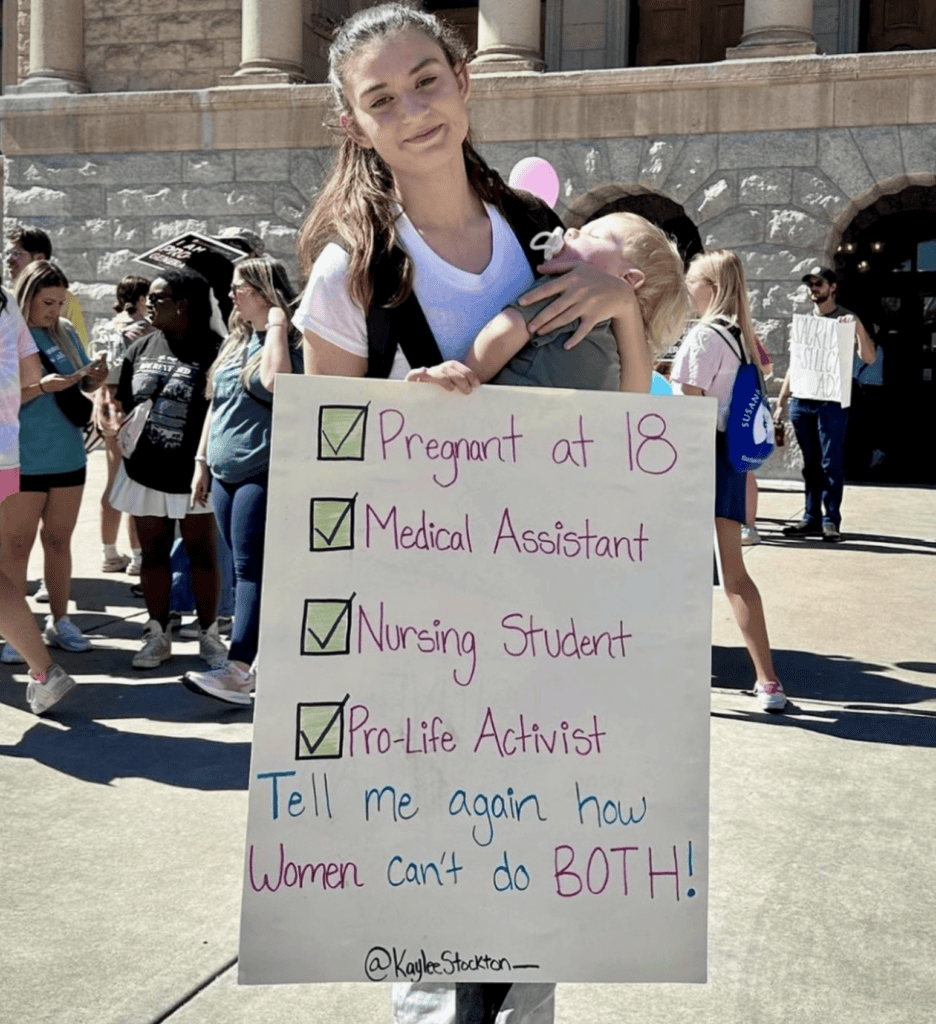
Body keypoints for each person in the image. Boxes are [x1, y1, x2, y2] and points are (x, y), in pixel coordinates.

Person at [294, 6, 654, 1023]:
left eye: (426, 81)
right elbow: (331, 488)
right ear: (353, 124)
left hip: (556, 618)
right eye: (382, 99)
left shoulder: (547, 246)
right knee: (439, 930)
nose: (413, 109)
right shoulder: (351, 277)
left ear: (464, 81)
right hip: (424, 636)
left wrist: (623, 308)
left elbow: (625, 431)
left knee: (538, 912)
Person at [670, 248, 787, 714]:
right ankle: (769, 682)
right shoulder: (742, 338)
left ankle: (675, 675)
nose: (685, 287)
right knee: (736, 575)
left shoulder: (701, 338)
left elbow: (685, 408)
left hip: (696, 458)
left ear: (710, 289)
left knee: (678, 575)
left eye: (691, 280)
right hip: (729, 462)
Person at [184, 256, 302, 705]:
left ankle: (237, 670)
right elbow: (217, 406)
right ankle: (261, 662)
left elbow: (275, 383)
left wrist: (276, 323)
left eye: (241, 288)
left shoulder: (287, 339)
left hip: (262, 468)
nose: (231, 294)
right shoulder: (233, 343)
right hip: (223, 470)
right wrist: (201, 461)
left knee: (250, 570)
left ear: (264, 290)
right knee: (244, 569)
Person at [99, 268, 227, 671]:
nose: (148, 305)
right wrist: (110, 415)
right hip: (145, 470)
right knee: (153, 553)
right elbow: (117, 396)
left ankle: (209, 635)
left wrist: (206, 464)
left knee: (202, 553)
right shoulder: (141, 347)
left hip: (194, 475)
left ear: (183, 305)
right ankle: (157, 634)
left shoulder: (216, 349)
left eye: (158, 299)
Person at [406, 211, 688, 392]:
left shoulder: (568, 289)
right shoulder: (616, 342)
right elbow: (635, 399)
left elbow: (505, 331)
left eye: (595, 235)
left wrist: (468, 373)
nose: (573, 231)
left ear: (628, 279)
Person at [0, 261, 108, 662]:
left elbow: (79, 385)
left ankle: (61, 620)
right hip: (22, 456)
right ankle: (18, 631)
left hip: (67, 453)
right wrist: (38, 388)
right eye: (48, 302)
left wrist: (93, 379)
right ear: (26, 297)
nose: (55, 310)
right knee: (15, 546)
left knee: (59, 541)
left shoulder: (64, 332)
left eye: (61, 302)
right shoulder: (9, 335)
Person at [0, 280, 78, 713]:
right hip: (6, 452)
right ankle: (44, 671)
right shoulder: (5, 300)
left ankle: (45, 670)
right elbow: (32, 375)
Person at [774, 265, 876, 542]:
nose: (813, 288)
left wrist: (857, 328)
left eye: (819, 284)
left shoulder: (846, 319)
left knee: (831, 462)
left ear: (832, 287)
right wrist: (782, 403)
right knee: (810, 463)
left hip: (831, 402)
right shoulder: (805, 322)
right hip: (802, 400)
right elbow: (795, 365)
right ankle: (811, 519)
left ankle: (831, 520)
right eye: (810, 284)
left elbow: (869, 358)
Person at [89, 274, 152, 575]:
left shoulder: (104, 327)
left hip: (106, 409)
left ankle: (109, 553)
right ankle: (139, 557)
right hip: (134, 411)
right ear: (141, 299)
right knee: (136, 483)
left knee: (113, 482)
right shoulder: (145, 330)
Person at [5, 225, 89, 348]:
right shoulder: (5, 298)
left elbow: (79, 349)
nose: (8, 260)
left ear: (39, 258)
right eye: (7, 253)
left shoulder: (67, 300)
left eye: (15, 253)